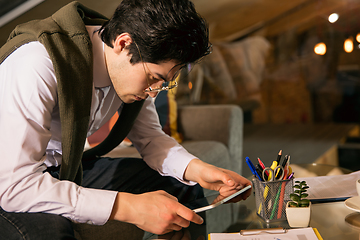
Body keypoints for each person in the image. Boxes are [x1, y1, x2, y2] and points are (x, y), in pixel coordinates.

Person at [0, 0, 252, 239]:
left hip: (62, 168)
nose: (153, 91)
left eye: (163, 83)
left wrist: (198, 170)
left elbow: (151, 138)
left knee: (181, 189)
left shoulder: (127, 67)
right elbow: (16, 185)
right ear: (123, 43)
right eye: (153, 77)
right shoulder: (38, 64)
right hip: (12, 179)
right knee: (48, 233)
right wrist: (130, 207)